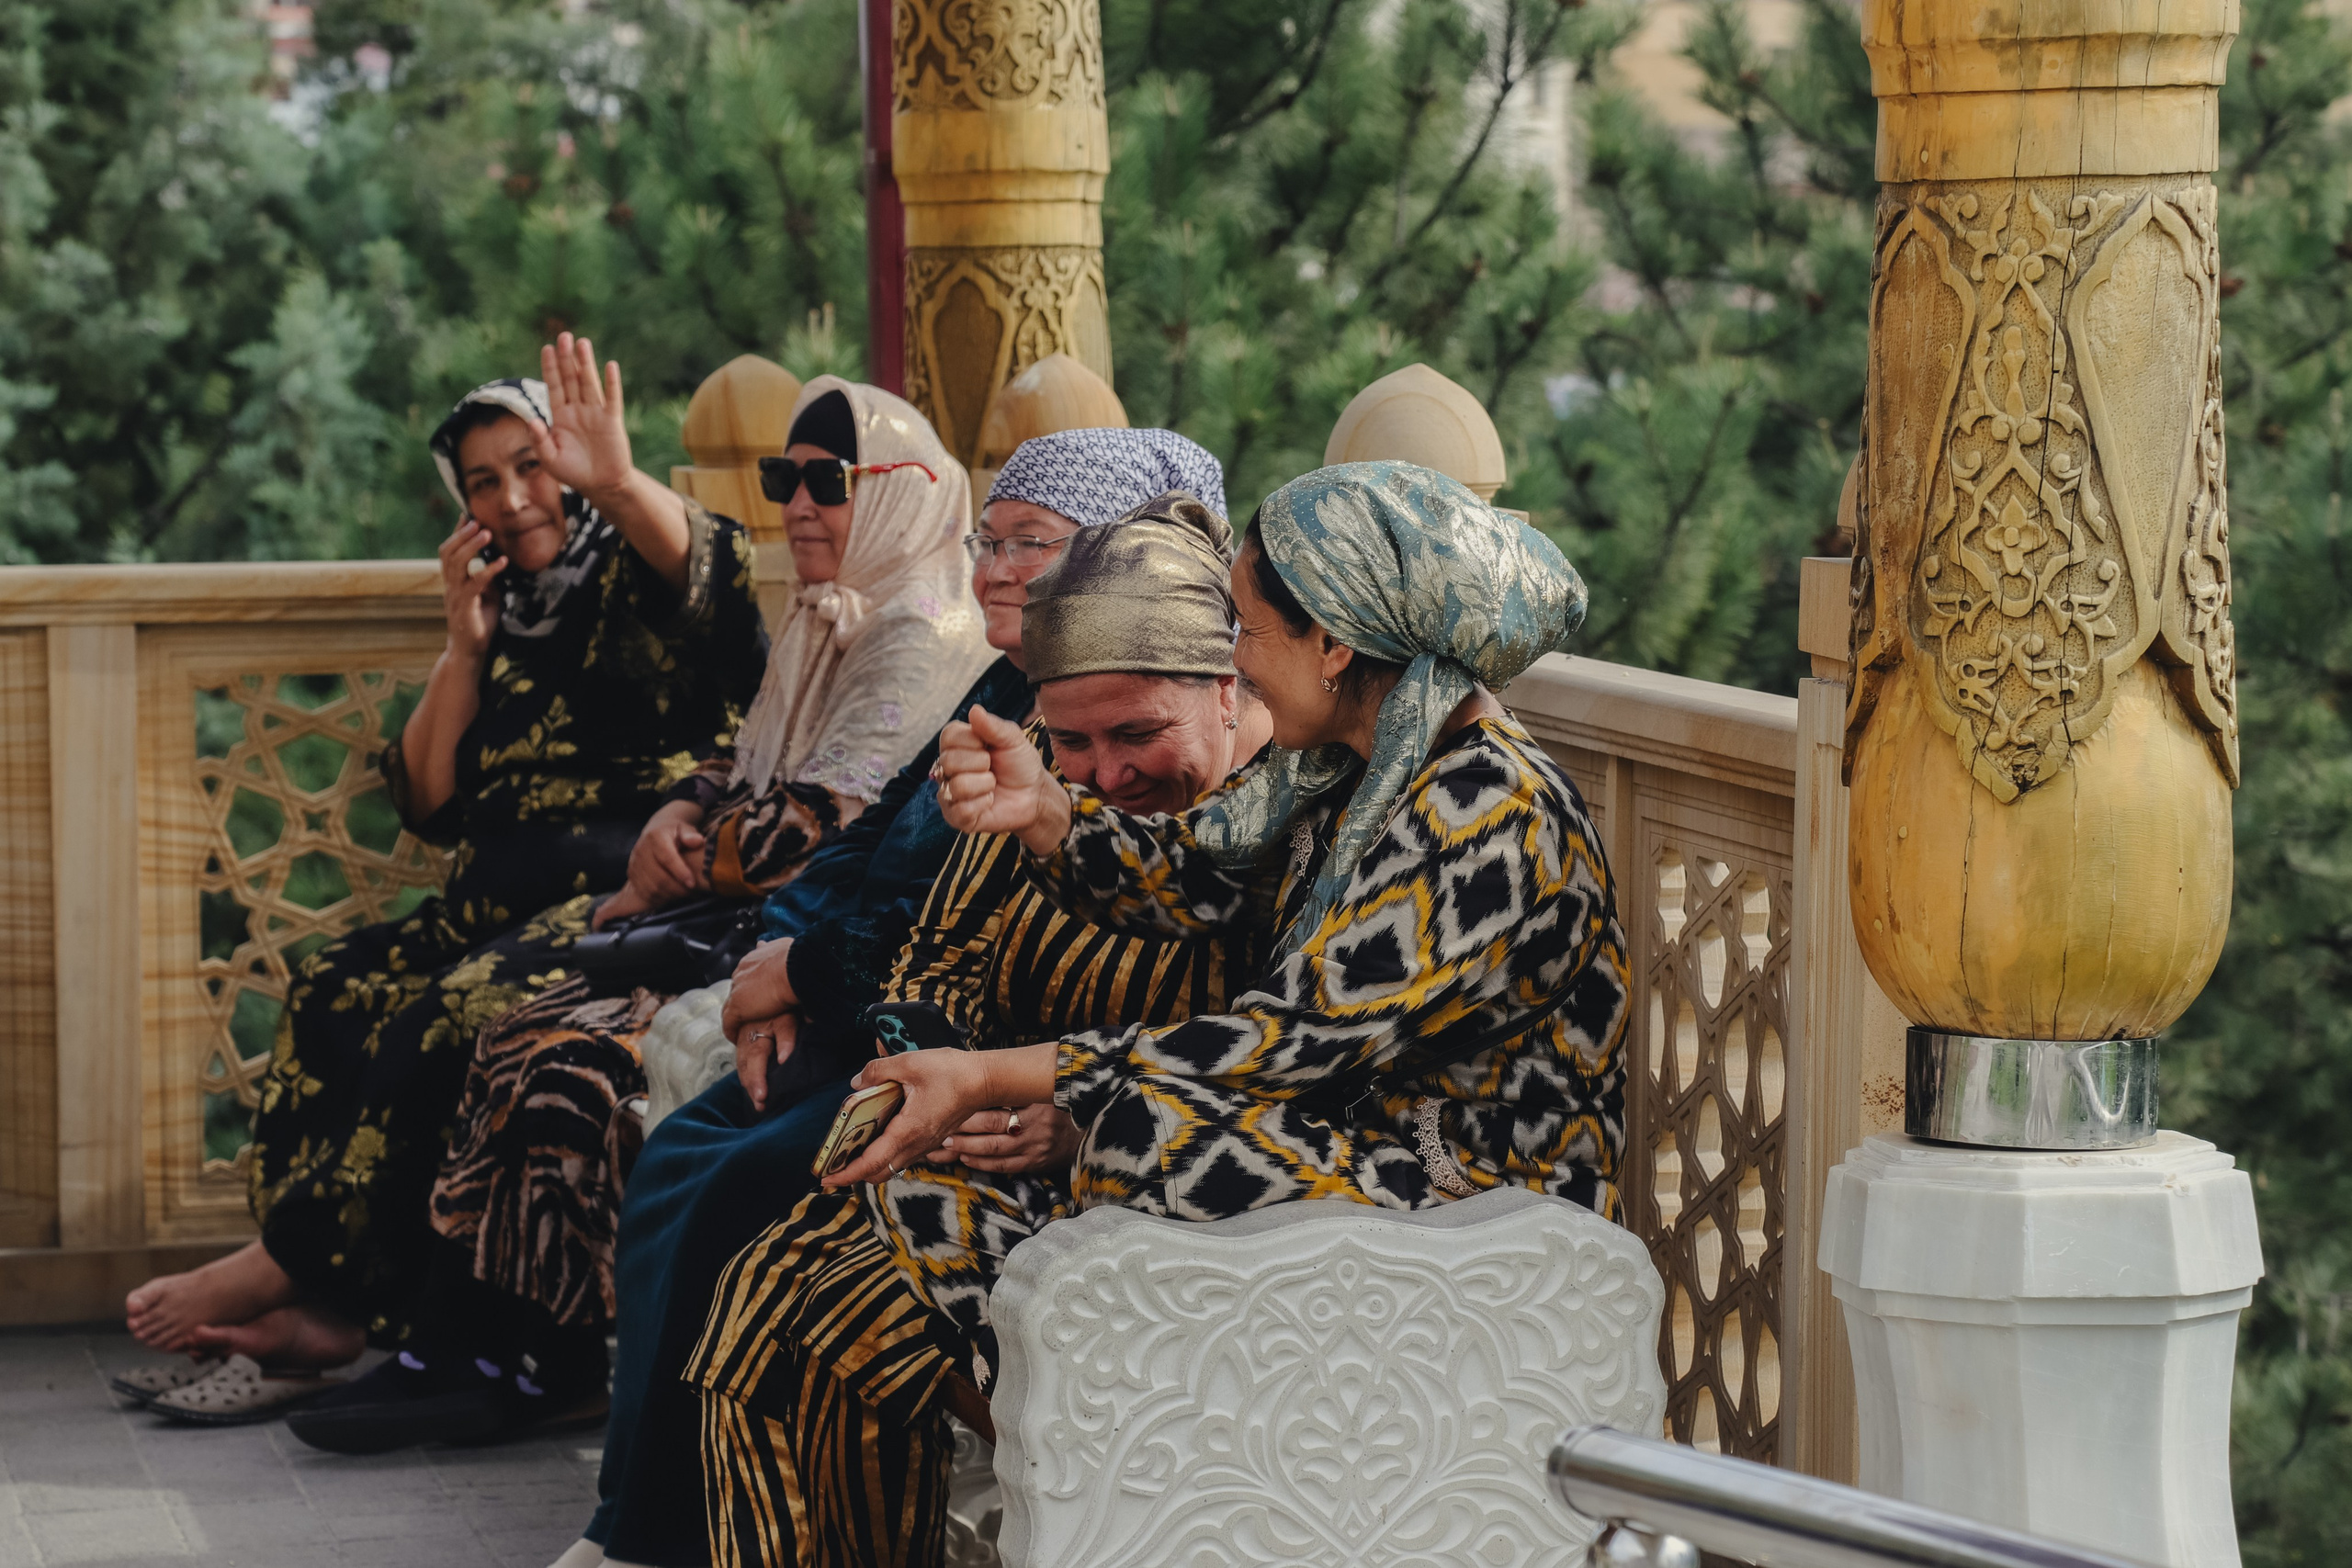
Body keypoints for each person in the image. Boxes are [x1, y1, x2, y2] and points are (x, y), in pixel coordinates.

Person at [277, 375, 992, 1452]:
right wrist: (685, 808)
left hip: (800, 953)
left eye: (827, 482)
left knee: (553, 1048)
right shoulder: (826, 617)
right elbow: (745, 757)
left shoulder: (921, 628)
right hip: (723, 922)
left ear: (898, 495)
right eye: (782, 479)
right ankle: (459, 1347)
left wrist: (685, 859)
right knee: (507, 1029)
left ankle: (532, 1361)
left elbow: (816, 824)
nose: (797, 504)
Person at [831, 458, 1630, 1411]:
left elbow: (1287, 1041)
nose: (1238, 663)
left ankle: (1141, 1427)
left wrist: (993, 1074)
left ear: (1331, 644)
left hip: (1479, 1202)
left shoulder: (1488, 804)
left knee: (1139, 1132)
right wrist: (1043, 809)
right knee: (925, 1182)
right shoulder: (1346, 765)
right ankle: (1085, 1427)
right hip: (1344, 1162)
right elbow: (1192, 878)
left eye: (1248, 632)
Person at [563, 429, 1229, 1568]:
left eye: (1039, 544)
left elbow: (1237, 1016)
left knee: (761, 1216)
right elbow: (868, 839)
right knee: (691, 1163)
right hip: (908, 1033)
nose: (1002, 569)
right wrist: (776, 964)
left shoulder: (1145, 754)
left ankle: (659, 1535)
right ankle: (643, 1525)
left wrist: (819, 985)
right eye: (995, 539)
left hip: (997, 1076)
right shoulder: (1014, 691)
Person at [123, 336, 768, 1382]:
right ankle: (330, 1310)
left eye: (534, 465)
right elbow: (425, 798)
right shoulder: (505, 611)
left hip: (621, 902)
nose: (515, 499)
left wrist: (615, 480)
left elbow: (716, 573)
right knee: (336, 990)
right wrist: (463, 647)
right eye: (484, 481)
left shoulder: (638, 581)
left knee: (446, 1020)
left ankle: (293, 1270)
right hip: (489, 905)